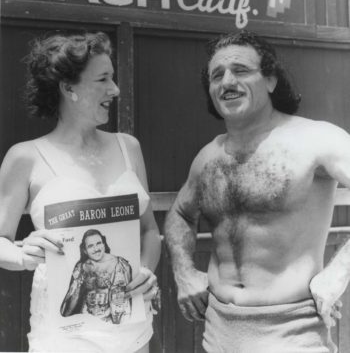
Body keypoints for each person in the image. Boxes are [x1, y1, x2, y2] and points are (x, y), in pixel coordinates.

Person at [164, 30, 350, 353]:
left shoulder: (317, 139)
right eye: (216, 75)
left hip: (293, 334)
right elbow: (180, 214)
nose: (227, 81)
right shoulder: (208, 157)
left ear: (271, 80)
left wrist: (339, 271)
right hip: (218, 332)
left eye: (241, 70)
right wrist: (183, 272)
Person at [0, 31, 161, 353]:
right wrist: (21, 255)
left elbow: (148, 230)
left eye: (112, 79)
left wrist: (144, 272)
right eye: (103, 79)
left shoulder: (129, 147)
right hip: (64, 337)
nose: (114, 90)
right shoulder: (26, 156)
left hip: (132, 329)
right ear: (68, 87)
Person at [61, 229, 133, 324]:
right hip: (85, 319)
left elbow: (121, 301)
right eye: (90, 246)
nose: (96, 249)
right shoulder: (81, 267)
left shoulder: (119, 265)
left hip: (109, 320)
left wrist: (118, 327)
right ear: (85, 250)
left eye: (98, 243)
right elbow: (74, 295)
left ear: (104, 244)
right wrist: (65, 320)